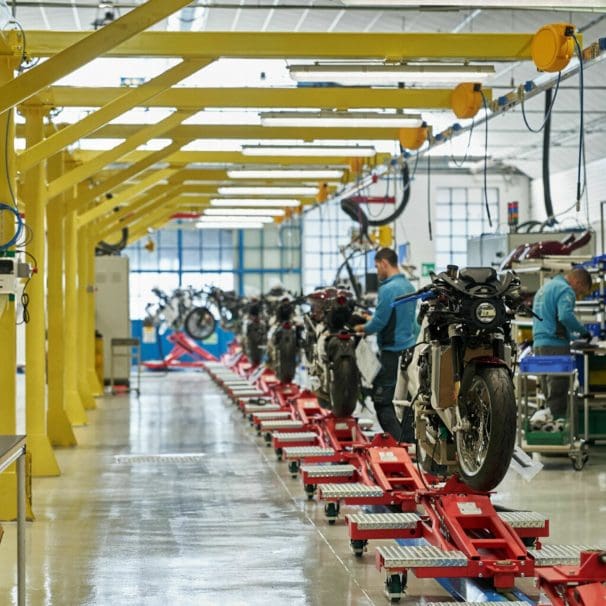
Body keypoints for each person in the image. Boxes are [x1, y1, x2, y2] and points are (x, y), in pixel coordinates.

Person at [354, 248, 417, 441]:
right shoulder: (408, 286)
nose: (377, 271)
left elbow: (379, 323)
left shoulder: (388, 289)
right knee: (405, 402)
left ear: (384, 263)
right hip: (410, 351)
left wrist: (360, 328)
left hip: (393, 353)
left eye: (376, 266)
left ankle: (400, 446)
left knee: (383, 402)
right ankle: (411, 444)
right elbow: (401, 318)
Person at [532, 267, 593, 424]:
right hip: (555, 346)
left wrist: (573, 336)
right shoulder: (565, 290)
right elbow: (565, 316)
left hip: (539, 344)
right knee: (558, 387)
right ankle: (559, 428)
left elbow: (552, 320)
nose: (578, 295)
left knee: (547, 385)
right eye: (581, 291)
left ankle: (549, 426)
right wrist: (583, 331)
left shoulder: (546, 288)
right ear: (578, 282)